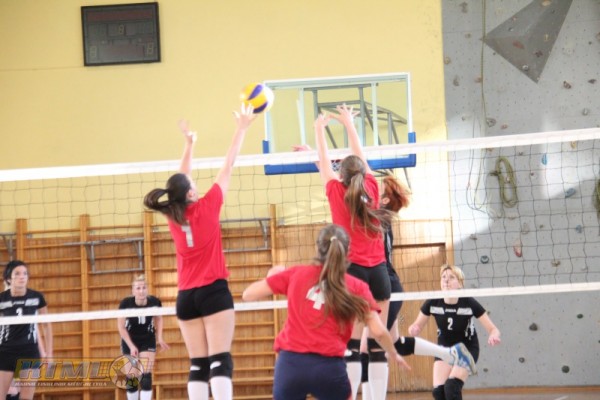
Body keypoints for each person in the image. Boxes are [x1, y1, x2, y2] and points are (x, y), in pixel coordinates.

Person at [313, 105, 476, 400]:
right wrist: (350, 123)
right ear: (363, 175)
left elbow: (326, 166)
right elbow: (358, 160)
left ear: (341, 176)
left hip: (352, 275)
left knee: (352, 346)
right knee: (379, 344)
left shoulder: (336, 193)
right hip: (379, 275)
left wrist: (318, 131)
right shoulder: (372, 188)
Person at [143, 103, 257, 400]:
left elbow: (180, 181)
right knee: (220, 360)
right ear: (192, 193)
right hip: (213, 291)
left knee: (198, 364)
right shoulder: (208, 206)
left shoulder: (173, 215)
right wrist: (241, 128)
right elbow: (228, 165)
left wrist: (189, 145)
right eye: (193, 185)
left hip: (185, 298)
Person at [242, 224, 410, 400]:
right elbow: (379, 332)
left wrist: (272, 277)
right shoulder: (355, 286)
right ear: (347, 252)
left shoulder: (296, 274)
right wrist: (393, 353)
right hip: (328, 368)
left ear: (317, 248)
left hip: (290, 365)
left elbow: (248, 295)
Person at [408, 264, 501, 400]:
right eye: (443, 277)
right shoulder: (433, 302)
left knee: (451, 387)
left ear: (460, 283)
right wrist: (414, 328)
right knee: (439, 393)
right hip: (444, 349)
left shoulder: (468, 302)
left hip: (466, 349)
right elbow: (417, 325)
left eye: (452, 277)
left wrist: (493, 335)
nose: (446, 280)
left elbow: (493, 329)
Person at [360, 173, 411, 400]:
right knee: (392, 342)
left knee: (367, 346)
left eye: (376, 187)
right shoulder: (378, 215)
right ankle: (450, 353)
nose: (370, 188)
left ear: (385, 200)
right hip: (380, 285)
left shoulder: (380, 216)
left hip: (387, 286)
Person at [0, 260, 53, 400]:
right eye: (17, 274)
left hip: (28, 352)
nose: (22, 277)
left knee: (26, 398)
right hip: (5, 352)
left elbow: (46, 326)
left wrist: (48, 354)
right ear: (8, 278)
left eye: (25, 273)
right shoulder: (2, 299)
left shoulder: (37, 297)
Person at [118, 274, 169, 400]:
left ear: (147, 289)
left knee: (146, 377)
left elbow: (159, 319)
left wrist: (160, 337)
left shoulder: (154, 302)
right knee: (132, 378)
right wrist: (131, 346)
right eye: (138, 288)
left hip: (147, 338)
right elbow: (121, 327)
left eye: (144, 288)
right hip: (129, 339)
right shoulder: (126, 304)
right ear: (133, 291)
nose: (141, 291)